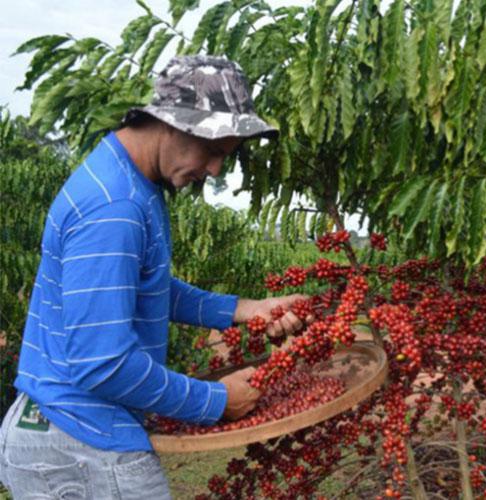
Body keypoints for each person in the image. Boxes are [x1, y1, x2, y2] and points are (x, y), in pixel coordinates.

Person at [0, 55, 305, 499]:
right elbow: (103, 364)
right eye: (215, 151)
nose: (216, 170)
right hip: (81, 441)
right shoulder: (115, 207)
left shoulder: (128, 182)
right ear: (176, 124)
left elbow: (142, 286)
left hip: (61, 424)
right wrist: (214, 402)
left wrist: (245, 309)